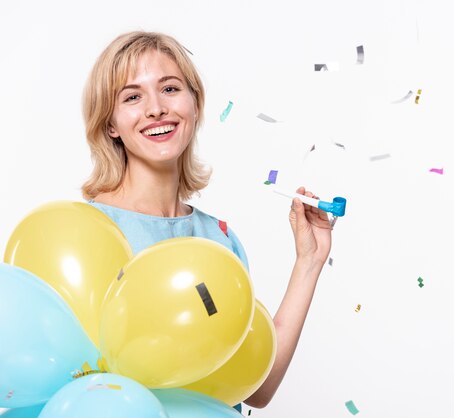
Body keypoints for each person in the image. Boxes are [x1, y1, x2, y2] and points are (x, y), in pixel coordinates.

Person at [81, 31, 332, 408]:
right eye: (132, 97)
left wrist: (309, 262)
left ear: (194, 105)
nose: (155, 109)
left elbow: (256, 387)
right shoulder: (88, 233)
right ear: (111, 123)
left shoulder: (220, 240)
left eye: (169, 89)